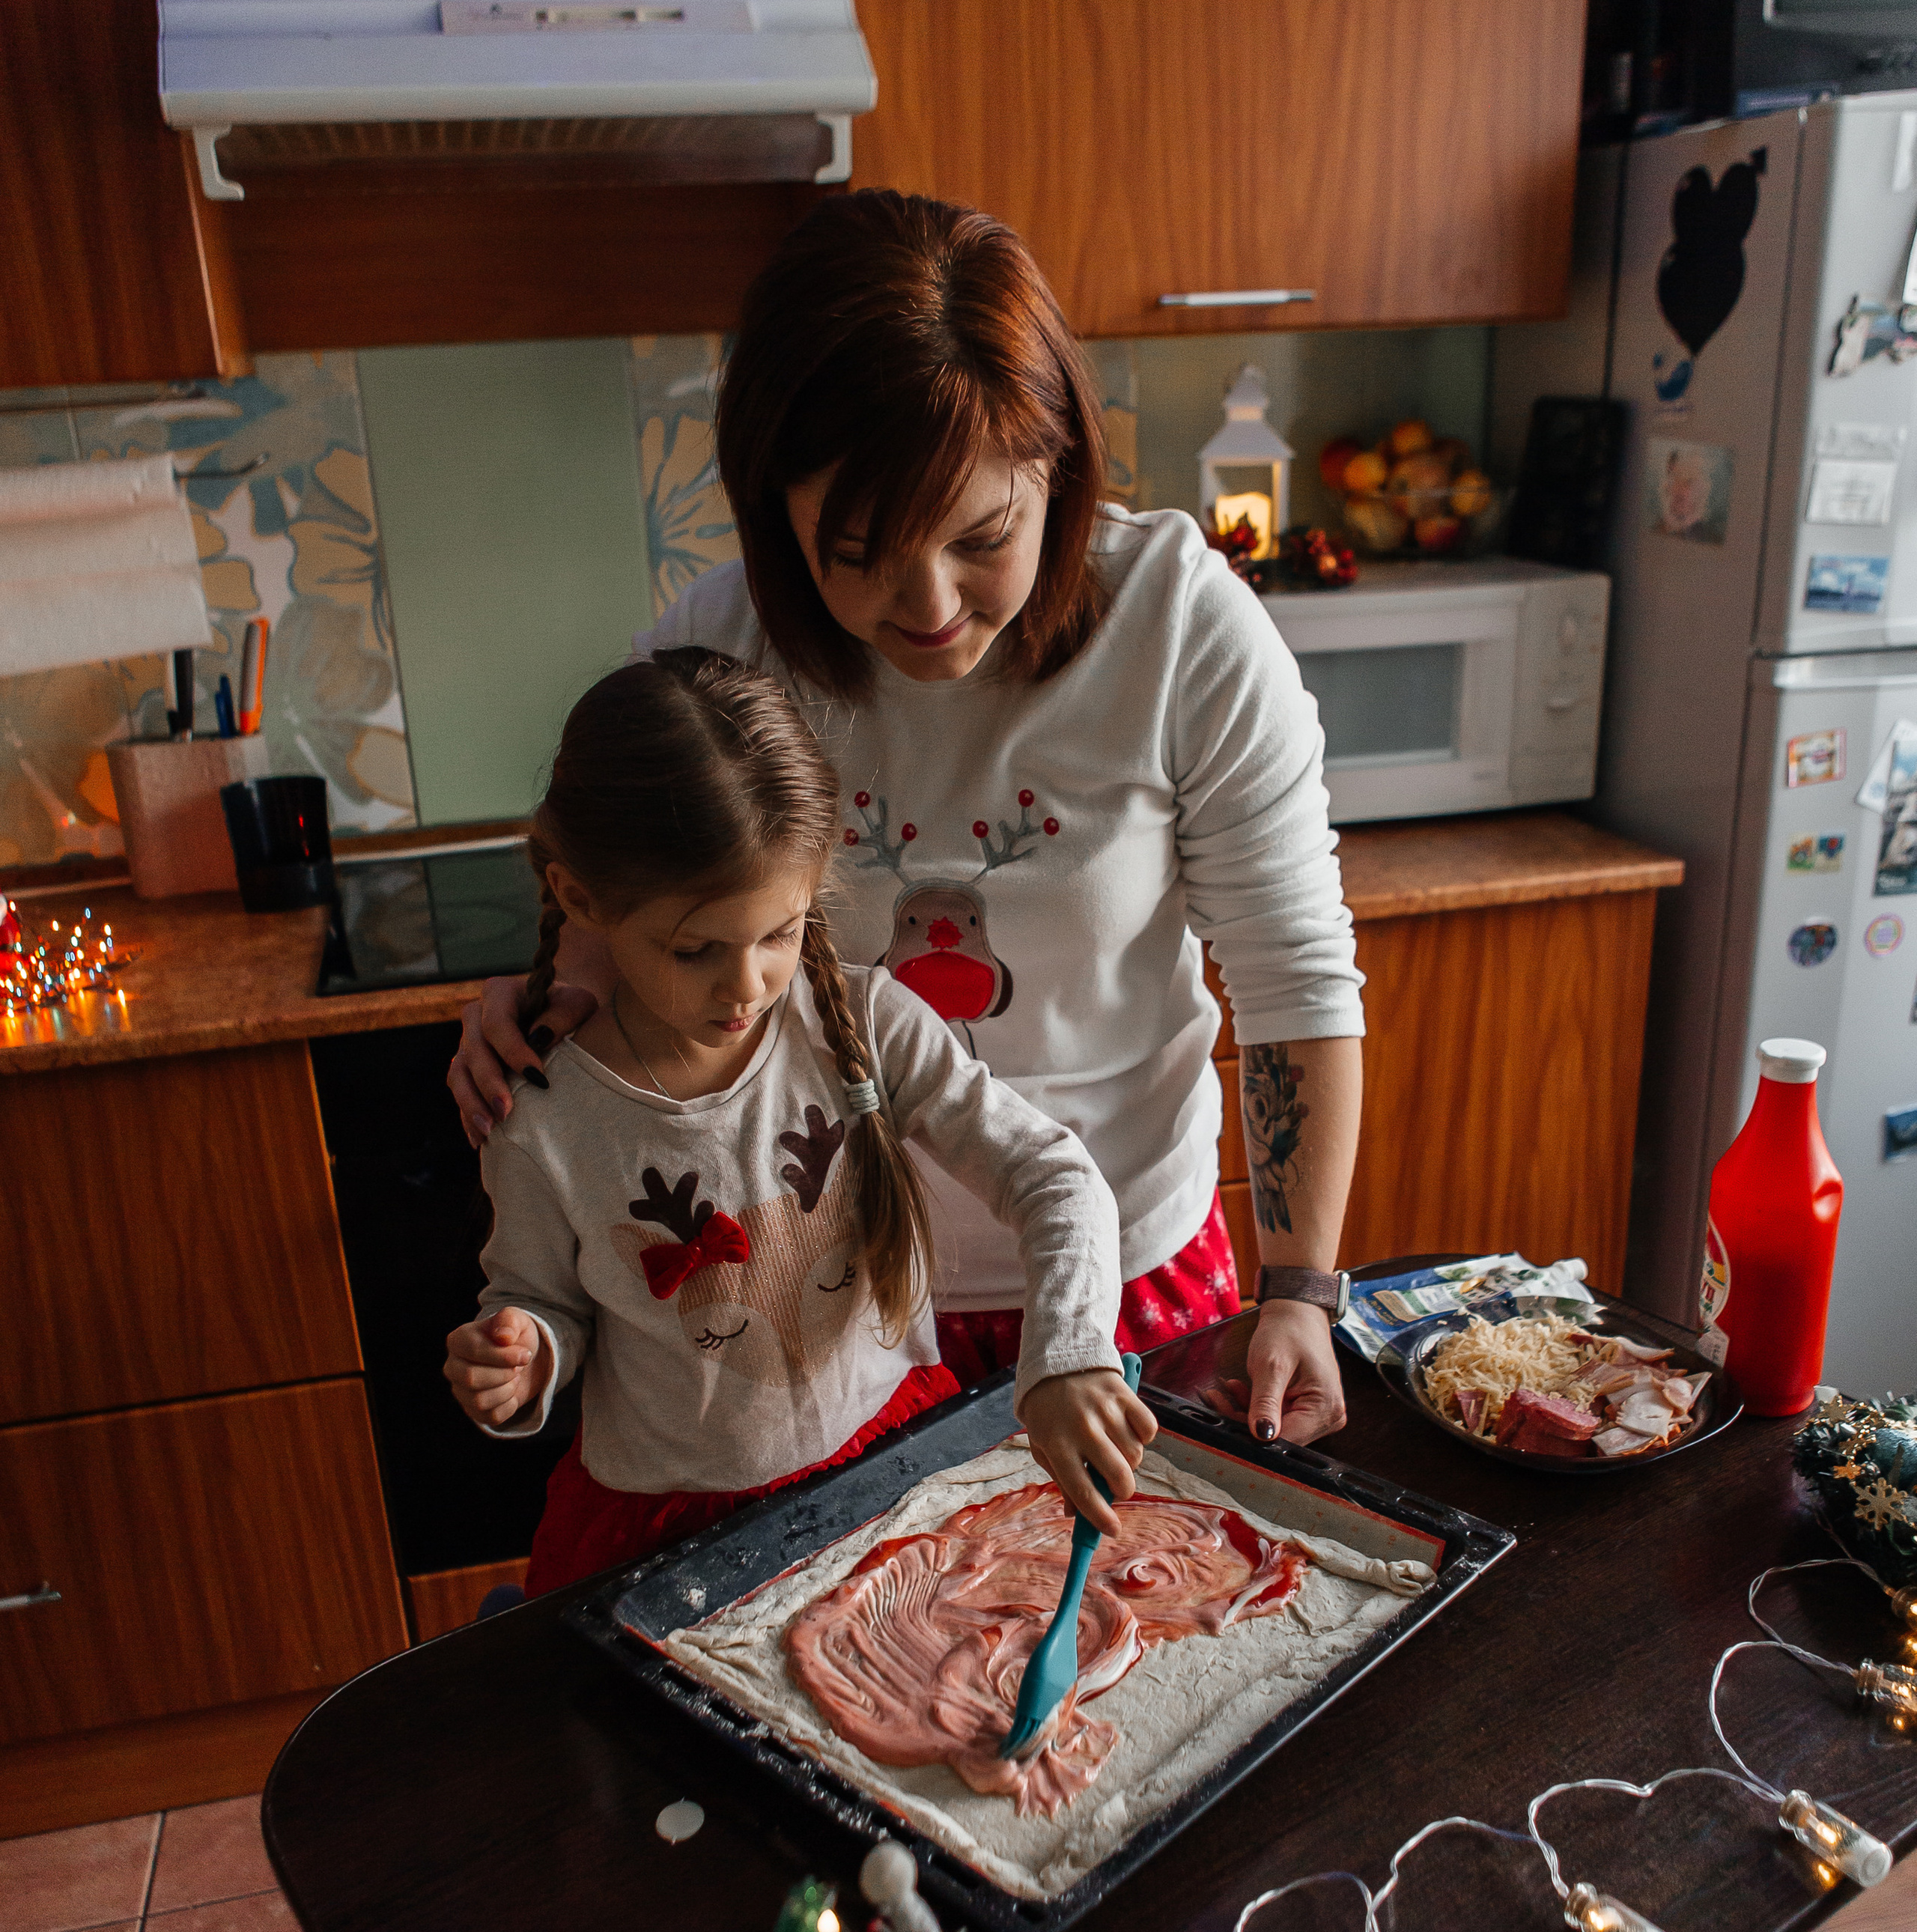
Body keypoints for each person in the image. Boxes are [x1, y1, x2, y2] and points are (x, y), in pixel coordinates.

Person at [452, 192, 1364, 1442]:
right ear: (778, 514)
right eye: (860, 550)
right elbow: (626, 930)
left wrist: (1301, 1289)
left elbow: (1294, 980)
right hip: (833, 1312)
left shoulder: (1181, 626)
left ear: (1060, 468)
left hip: (1125, 1276)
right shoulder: (722, 647)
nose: (927, 604)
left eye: (982, 537)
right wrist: (548, 996)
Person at [445, 646, 1154, 1592]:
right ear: (581, 900)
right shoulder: (544, 1119)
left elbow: (1052, 1176)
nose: (746, 986)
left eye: (778, 935)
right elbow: (541, 1302)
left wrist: (1069, 1353)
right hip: (664, 1530)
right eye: (694, 949)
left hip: (889, 1473)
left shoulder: (863, 1023)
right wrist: (525, 1353)